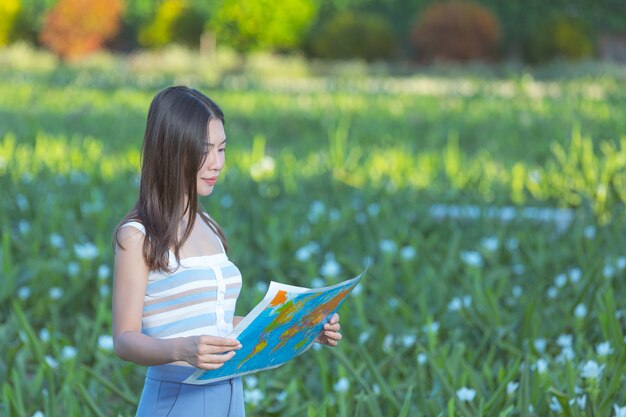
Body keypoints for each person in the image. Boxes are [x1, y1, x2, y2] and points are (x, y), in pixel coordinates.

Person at [112, 86, 342, 417]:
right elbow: (125, 339)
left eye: (222, 149)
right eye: (205, 151)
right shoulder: (137, 236)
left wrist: (302, 327)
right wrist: (184, 349)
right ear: (172, 151)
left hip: (231, 395)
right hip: (178, 398)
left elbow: (217, 323)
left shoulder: (208, 225)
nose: (217, 163)